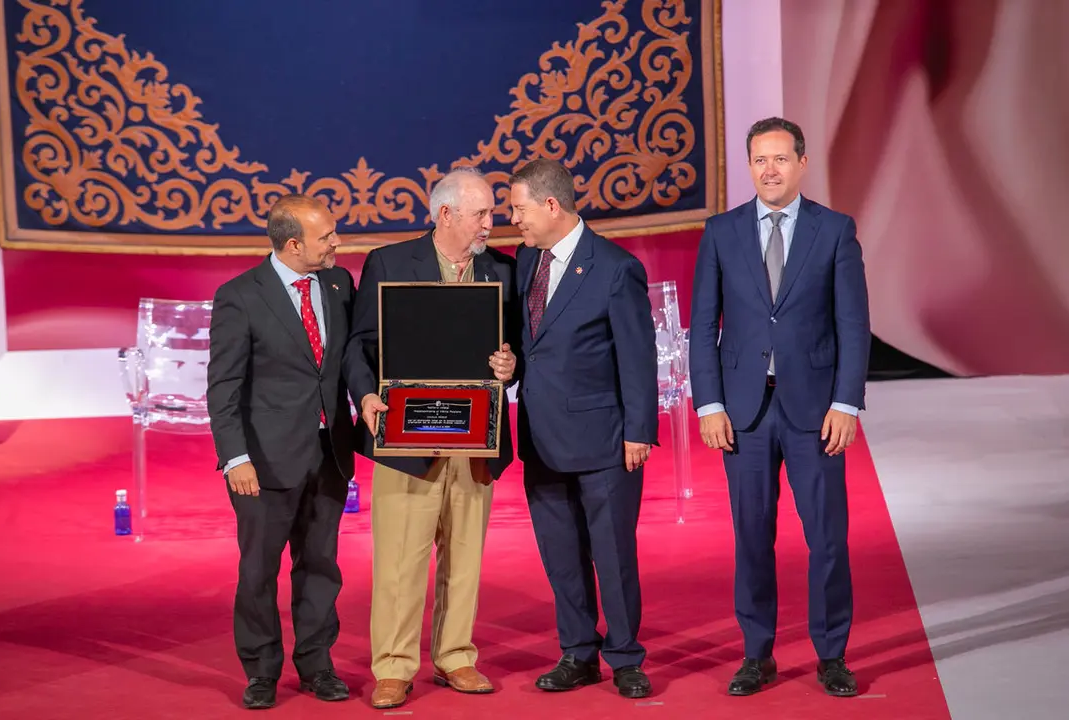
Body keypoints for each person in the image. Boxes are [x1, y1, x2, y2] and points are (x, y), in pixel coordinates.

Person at [688, 117, 871, 697]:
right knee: (751, 537)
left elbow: (853, 325)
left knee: (828, 538)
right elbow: (701, 327)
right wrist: (709, 404)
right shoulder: (720, 231)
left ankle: (832, 655)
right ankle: (756, 654)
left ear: (802, 163)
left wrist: (846, 402)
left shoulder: (835, 230)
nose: (769, 169)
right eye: (759, 160)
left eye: (780, 159)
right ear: (749, 166)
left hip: (815, 410)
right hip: (742, 412)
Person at [346, 167, 518, 710]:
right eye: (482, 214)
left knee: (465, 554)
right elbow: (359, 346)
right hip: (404, 436)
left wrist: (511, 366)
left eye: (492, 213)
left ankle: (456, 657)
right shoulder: (390, 262)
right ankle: (394, 666)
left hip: (477, 438)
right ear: (446, 214)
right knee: (401, 556)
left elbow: (519, 353)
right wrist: (367, 398)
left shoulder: (503, 272)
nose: (492, 223)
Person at [509, 158, 657, 700]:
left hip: (604, 440)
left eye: (519, 209)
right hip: (541, 438)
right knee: (560, 552)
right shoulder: (527, 263)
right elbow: (533, 346)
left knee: (612, 553)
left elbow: (638, 358)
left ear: (551, 205)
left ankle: (625, 657)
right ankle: (577, 652)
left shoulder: (615, 268)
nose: (514, 221)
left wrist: (639, 432)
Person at [206, 194, 358, 709]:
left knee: (320, 565)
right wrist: (234, 457)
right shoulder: (239, 296)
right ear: (294, 244)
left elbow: (348, 360)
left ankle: (317, 666)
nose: (337, 241)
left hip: (328, 451)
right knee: (258, 571)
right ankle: (262, 671)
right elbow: (222, 387)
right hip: (263, 461)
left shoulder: (339, 285)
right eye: (326, 236)